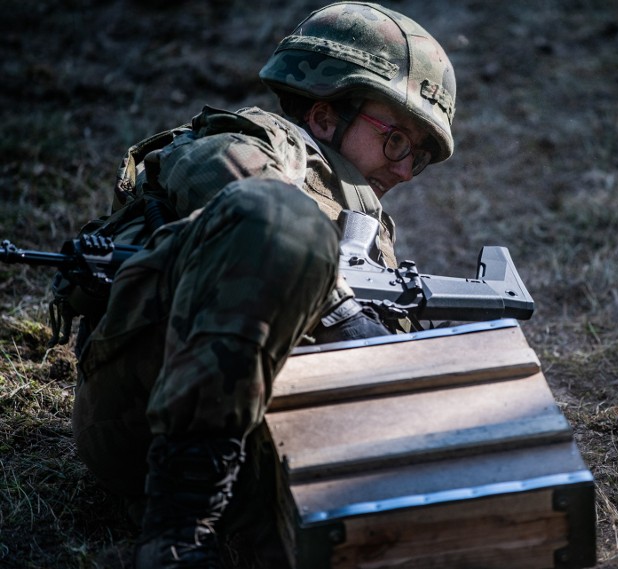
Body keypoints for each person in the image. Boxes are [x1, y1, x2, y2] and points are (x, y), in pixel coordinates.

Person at [65, 2, 456, 567]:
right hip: (141, 418)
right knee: (279, 220)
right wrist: (345, 315)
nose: (402, 170)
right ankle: (176, 535)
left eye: (417, 158)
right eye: (398, 141)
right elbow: (231, 193)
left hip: (281, 457)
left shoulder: (365, 221)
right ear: (324, 116)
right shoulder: (254, 144)